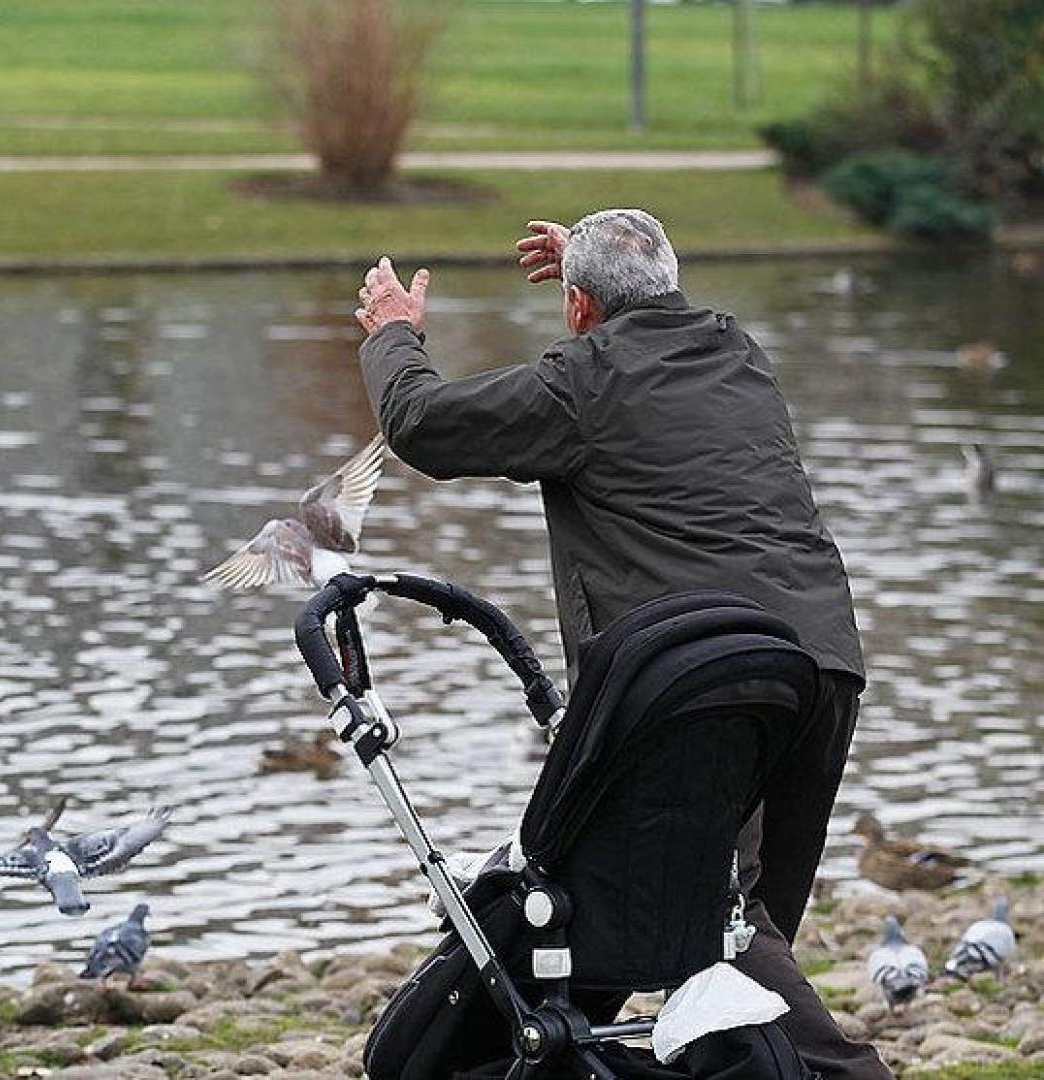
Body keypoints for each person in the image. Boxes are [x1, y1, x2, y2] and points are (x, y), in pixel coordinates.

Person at [352, 209, 887, 1080]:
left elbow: (422, 422)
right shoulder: (738, 354)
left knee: (721, 931)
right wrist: (598, 277)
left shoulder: (581, 382)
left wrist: (394, 336)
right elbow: (650, 325)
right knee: (743, 932)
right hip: (819, 668)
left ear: (576, 311)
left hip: (703, 682)